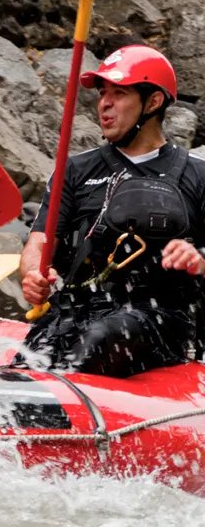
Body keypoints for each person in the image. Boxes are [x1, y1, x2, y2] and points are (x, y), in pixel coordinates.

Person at [19, 45, 205, 378]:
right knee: (30, 360)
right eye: (103, 93)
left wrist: (199, 258)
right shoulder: (74, 170)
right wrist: (33, 274)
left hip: (159, 321)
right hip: (77, 311)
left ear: (153, 102)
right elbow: (40, 241)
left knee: (101, 338)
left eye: (119, 94)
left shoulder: (198, 175)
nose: (104, 103)